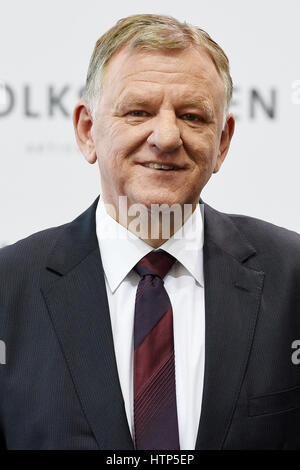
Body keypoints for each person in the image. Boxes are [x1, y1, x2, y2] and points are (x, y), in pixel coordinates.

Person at [0, 13, 300, 450]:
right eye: (138, 111)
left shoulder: (292, 277)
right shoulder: (8, 287)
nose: (165, 136)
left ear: (223, 141)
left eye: (193, 116)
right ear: (87, 131)